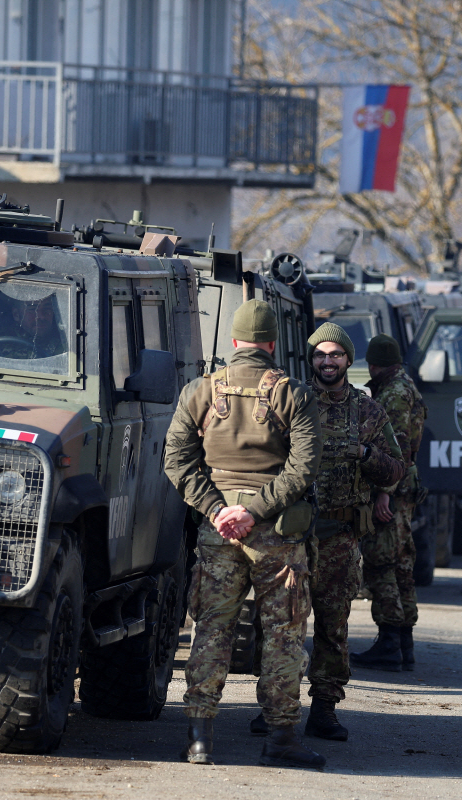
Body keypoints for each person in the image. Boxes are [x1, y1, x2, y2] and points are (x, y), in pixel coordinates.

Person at [163, 299, 326, 770]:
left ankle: (199, 739)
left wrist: (219, 510)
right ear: (272, 344)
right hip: (277, 534)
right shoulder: (293, 393)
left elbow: (177, 460)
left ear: (233, 343)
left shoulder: (200, 391)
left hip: (218, 535)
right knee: (282, 634)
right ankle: (280, 740)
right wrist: (254, 512)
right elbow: (304, 467)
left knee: (211, 629)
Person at [303, 323, 405, 741]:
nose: (328, 361)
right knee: (279, 627)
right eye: (320, 355)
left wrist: (366, 455)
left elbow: (396, 470)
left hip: (340, 537)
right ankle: (274, 703)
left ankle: (324, 707)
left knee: (333, 624)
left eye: (336, 354)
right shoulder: (292, 401)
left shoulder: (367, 411)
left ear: (349, 360)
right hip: (291, 536)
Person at [350, 334, 426, 672]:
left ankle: (390, 642)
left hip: (392, 488)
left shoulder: (393, 393)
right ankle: (404, 643)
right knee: (402, 562)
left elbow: (397, 448)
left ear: (372, 362)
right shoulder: (405, 384)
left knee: (383, 563)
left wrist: (385, 491)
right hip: (405, 487)